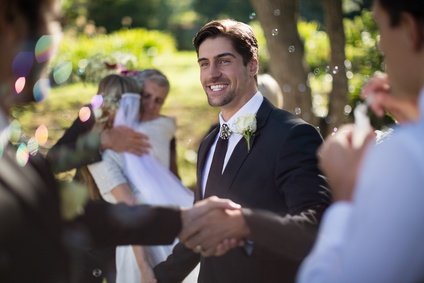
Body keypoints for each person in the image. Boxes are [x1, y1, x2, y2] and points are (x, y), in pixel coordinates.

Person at [0, 1, 238, 282]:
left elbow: (55, 206)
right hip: (93, 240)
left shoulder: (154, 130)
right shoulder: (93, 119)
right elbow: (54, 164)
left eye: (156, 101)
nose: (56, 35)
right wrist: (100, 142)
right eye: (55, 19)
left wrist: (182, 219)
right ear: (11, 23)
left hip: (113, 233)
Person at [153, 19, 330, 283]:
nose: (212, 73)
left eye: (224, 61)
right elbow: (201, 231)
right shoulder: (209, 143)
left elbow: (316, 227)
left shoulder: (292, 135)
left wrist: (246, 225)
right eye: (204, 63)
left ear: (253, 65)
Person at [296, 0, 424, 282]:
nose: (380, 46)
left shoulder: (402, 156)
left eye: (380, 27)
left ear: (408, 28)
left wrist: (346, 193)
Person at [87, 88, 195, 282]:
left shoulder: (141, 139)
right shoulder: (110, 152)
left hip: (140, 237)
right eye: (145, 99)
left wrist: (143, 266)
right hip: (141, 233)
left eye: (157, 101)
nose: (149, 107)